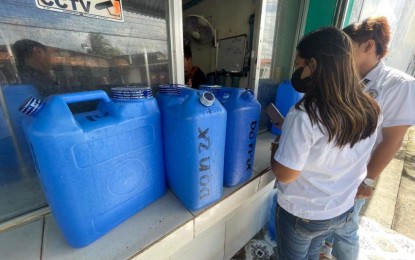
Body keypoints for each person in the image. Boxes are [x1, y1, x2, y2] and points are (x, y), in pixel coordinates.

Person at [270, 27, 381, 259]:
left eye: (300, 65)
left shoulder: (305, 114)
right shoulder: (370, 107)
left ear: (315, 64)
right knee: (312, 255)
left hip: (302, 213)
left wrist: (276, 150)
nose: (297, 72)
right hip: (340, 209)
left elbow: (286, 174)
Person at [322, 16, 415, 260]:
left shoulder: (399, 85)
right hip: (333, 170)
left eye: (346, 47)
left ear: (368, 45)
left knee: (346, 226)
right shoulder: (346, 79)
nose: (341, 54)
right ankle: (326, 250)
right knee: (331, 219)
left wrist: (369, 180)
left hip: (358, 174)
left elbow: (392, 140)